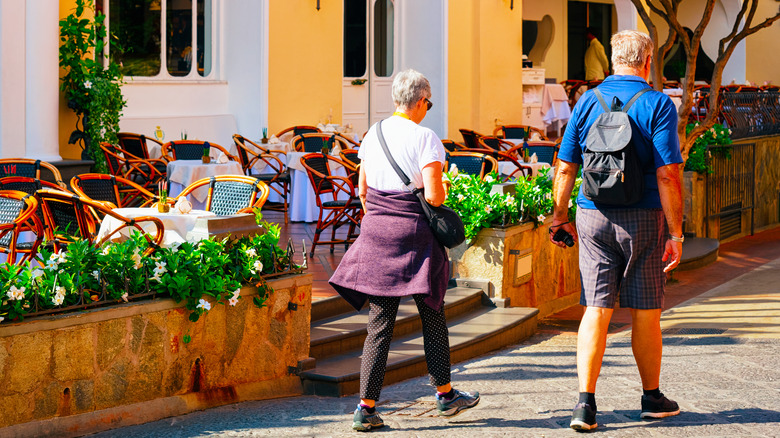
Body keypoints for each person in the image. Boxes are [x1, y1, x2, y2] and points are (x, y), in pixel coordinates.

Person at [329, 69, 480, 432]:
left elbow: (363, 190)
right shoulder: (425, 137)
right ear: (420, 101)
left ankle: (365, 408)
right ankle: (445, 395)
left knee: (379, 324)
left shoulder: (372, 134)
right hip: (414, 237)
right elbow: (433, 196)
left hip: (378, 232)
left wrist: (380, 219)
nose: (428, 108)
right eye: (429, 102)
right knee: (432, 314)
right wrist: (443, 185)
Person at [550, 30, 683, 431]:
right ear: (647, 62)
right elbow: (667, 173)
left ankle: (584, 405)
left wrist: (559, 216)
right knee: (645, 310)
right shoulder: (659, 104)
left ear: (612, 61)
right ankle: (651, 398)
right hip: (643, 218)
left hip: (592, 215)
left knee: (596, 308)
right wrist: (675, 232)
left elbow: (565, 164)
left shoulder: (587, 101)